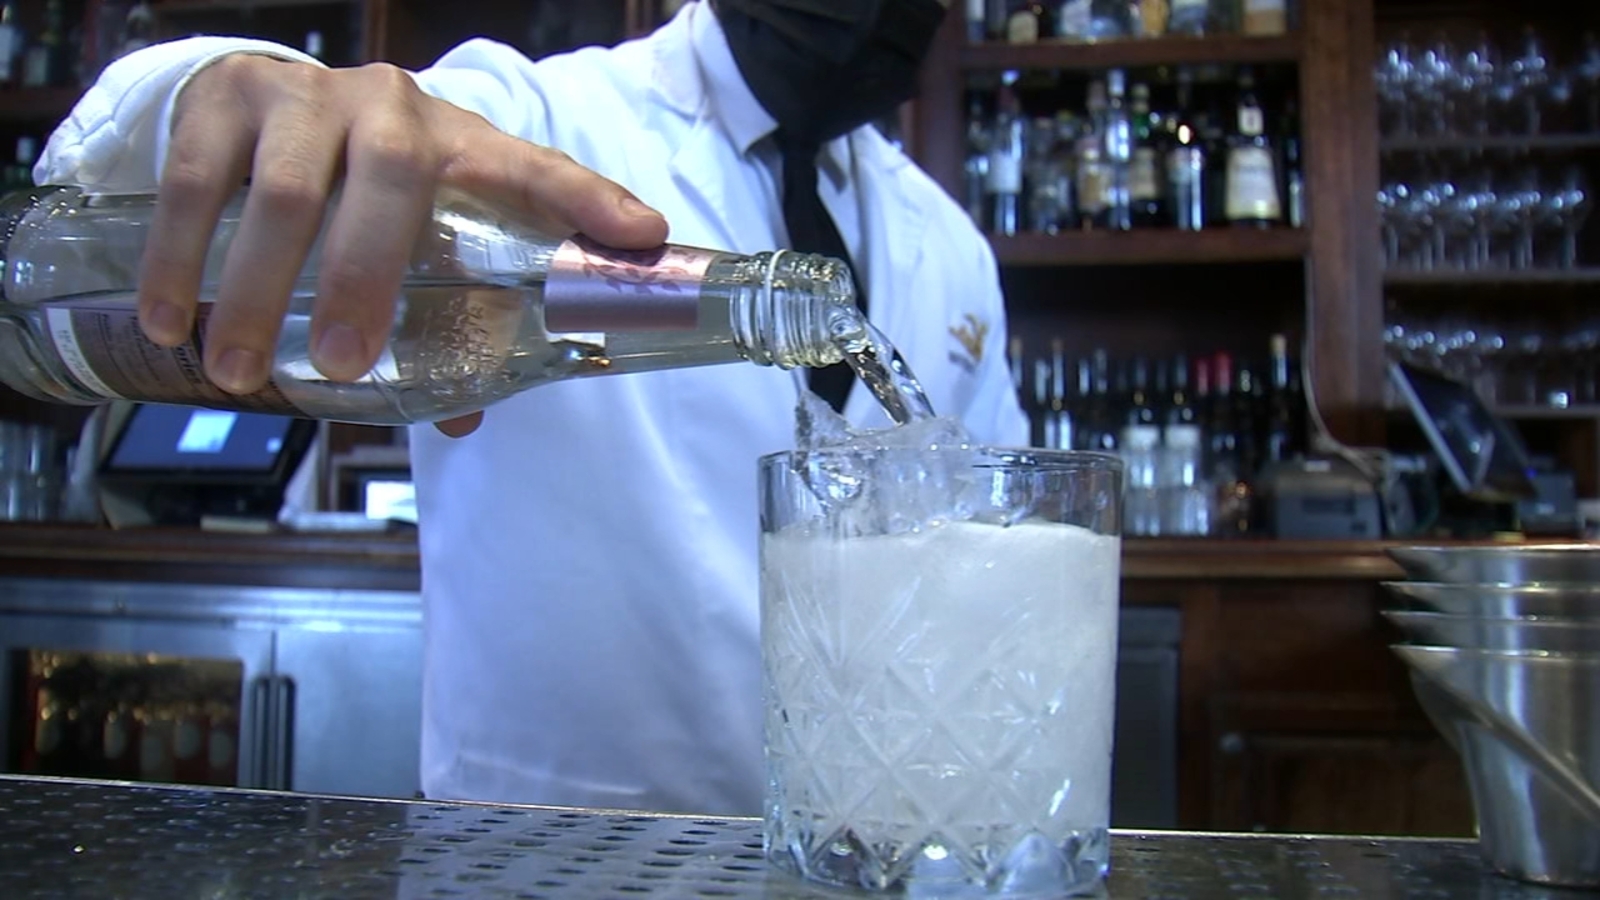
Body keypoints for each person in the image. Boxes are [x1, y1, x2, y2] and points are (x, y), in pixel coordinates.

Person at [37, 0, 1028, 815]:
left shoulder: (946, 239)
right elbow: (184, 155)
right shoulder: (537, 118)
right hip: (549, 845)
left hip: (868, 848)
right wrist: (214, 91)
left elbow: (1000, 548)